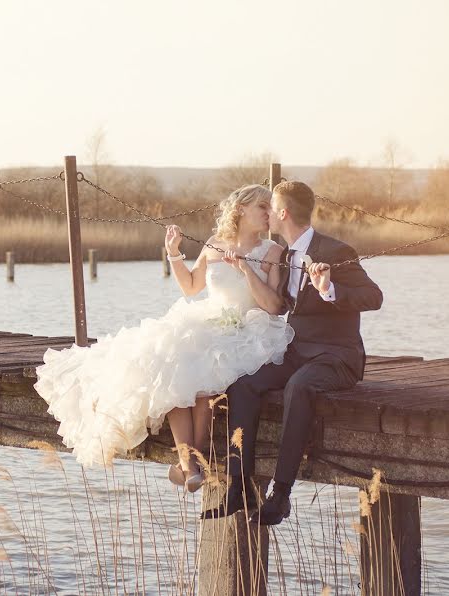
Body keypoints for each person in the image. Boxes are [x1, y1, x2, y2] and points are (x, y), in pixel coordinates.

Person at [34, 184, 294, 492]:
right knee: (170, 366)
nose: (269, 214)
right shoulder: (213, 244)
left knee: (204, 381)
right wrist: (174, 254)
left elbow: (275, 308)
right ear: (240, 210)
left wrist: (247, 269)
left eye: (270, 208)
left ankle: (191, 464)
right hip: (209, 321)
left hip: (250, 329)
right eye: (262, 207)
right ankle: (190, 464)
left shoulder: (273, 252)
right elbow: (192, 287)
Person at [203, 180, 383, 524]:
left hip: (336, 356)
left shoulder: (336, 251)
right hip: (297, 350)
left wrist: (331, 288)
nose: (266, 212)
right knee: (243, 384)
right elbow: (279, 303)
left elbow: (374, 297)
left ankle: (281, 494)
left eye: (270, 206)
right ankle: (238, 487)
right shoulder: (283, 255)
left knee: (298, 387)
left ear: (282, 213)